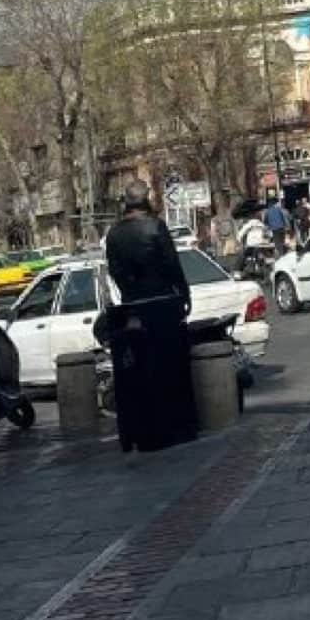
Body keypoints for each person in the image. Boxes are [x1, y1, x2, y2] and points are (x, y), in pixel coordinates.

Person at [104, 180, 196, 454]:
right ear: (146, 200)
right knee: (169, 368)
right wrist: (183, 295)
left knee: (140, 372)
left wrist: (131, 295)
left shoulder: (114, 234)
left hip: (134, 308)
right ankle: (175, 429)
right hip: (163, 307)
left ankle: (143, 433)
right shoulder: (156, 227)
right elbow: (171, 265)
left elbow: (116, 271)